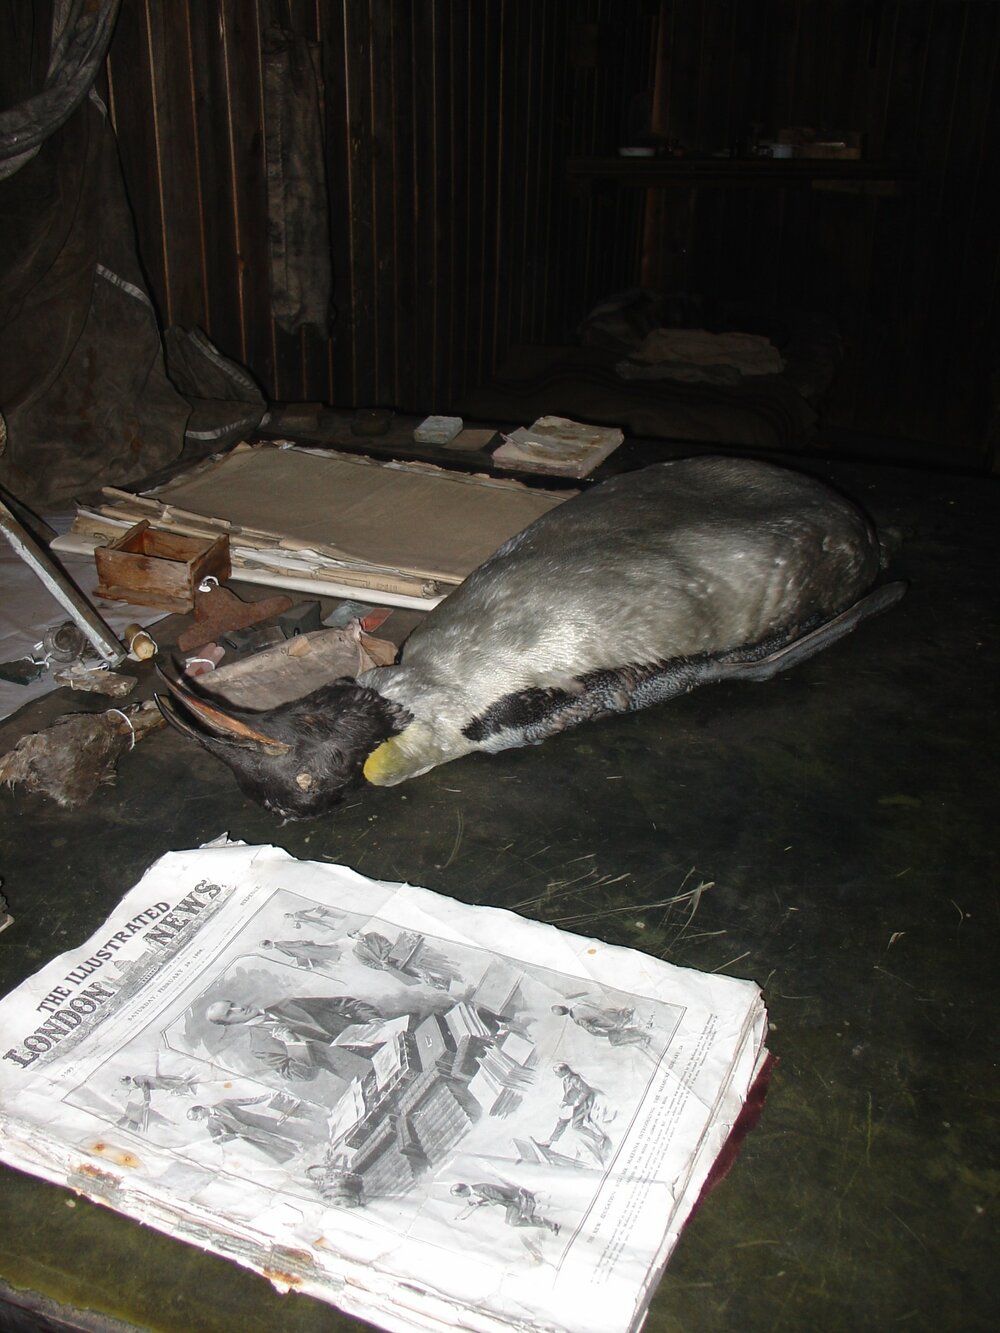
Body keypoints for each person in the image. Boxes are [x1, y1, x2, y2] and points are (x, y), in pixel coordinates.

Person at [206, 995, 383, 1081]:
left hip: (381, 1037)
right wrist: (293, 1044)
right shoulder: (260, 1047)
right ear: (229, 1024)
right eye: (230, 1013)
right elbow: (302, 1076)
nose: (238, 1008)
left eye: (232, 1004)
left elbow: (345, 1003)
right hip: (365, 1070)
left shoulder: (289, 1004)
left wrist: (372, 1019)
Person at [187, 1092, 322, 1163]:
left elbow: (249, 1101)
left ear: (200, 1109)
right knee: (276, 1142)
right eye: (196, 1120)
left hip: (257, 1121)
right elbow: (216, 1140)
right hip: (250, 1134)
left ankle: (315, 1139)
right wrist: (232, 1136)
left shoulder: (224, 1103)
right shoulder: (211, 1125)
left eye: (197, 1116)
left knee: (284, 1128)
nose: (199, 1119)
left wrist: (266, 1096)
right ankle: (307, 1152)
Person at [544, 1063, 611, 1164]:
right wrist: (564, 1102)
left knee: (576, 1126)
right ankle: (550, 1141)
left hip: (581, 1105)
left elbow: (586, 1091)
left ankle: (600, 1139)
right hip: (572, 1105)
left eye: (556, 1072)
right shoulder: (566, 1080)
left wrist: (577, 1102)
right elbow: (568, 1094)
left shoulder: (574, 1079)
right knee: (562, 1121)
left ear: (564, 1071)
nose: (555, 1074)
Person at [451, 1181, 559, 1233]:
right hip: (511, 1203)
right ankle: (548, 1224)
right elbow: (491, 1198)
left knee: (512, 1222)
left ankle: (549, 1224)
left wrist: (483, 1204)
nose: (461, 1198)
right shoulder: (476, 1190)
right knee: (509, 1222)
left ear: (464, 1190)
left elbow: (499, 1199)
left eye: (460, 1195)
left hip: (516, 1200)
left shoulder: (481, 1188)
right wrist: (479, 1203)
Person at [550, 998, 651, 1049]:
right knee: (618, 1019)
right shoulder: (579, 1005)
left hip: (609, 1023)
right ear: (563, 1006)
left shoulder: (576, 1018)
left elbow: (592, 1030)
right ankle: (627, 1013)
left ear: (562, 1015)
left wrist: (606, 1034)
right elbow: (595, 1005)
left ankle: (642, 1037)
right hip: (611, 1013)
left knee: (614, 1041)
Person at [261, 937, 343, 970]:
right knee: (320, 960)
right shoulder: (278, 947)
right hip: (303, 954)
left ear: (268, 944)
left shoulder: (280, 944)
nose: (265, 949)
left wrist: (305, 944)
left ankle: (339, 959)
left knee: (325, 954)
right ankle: (336, 965)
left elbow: (295, 945)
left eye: (265, 947)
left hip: (306, 951)